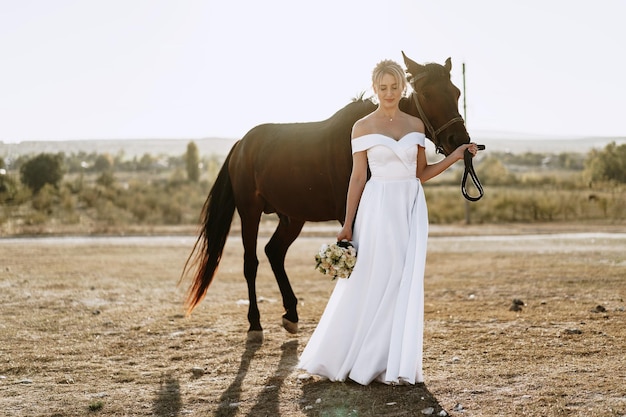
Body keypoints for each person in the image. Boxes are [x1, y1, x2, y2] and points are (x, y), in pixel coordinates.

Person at [297, 59, 479, 385]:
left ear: (403, 87)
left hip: (409, 207)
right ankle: (358, 358)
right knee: (375, 279)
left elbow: (421, 173)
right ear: (375, 88)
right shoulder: (362, 127)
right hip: (376, 207)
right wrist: (347, 223)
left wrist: (455, 156)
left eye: (395, 87)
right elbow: (356, 178)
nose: (389, 93)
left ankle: (390, 362)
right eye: (383, 88)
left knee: (402, 282)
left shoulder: (416, 126)